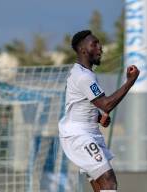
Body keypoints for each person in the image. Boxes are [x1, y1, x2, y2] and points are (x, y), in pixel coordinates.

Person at [58, 30, 139, 192]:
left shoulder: (83, 73)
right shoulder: (83, 77)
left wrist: (97, 117)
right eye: (94, 44)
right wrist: (130, 82)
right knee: (109, 182)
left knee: (100, 186)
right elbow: (106, 104)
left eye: (99, 44)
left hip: (89, 133)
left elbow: (78, 104)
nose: (100, 48)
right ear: (82, 50)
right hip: (79, 136)